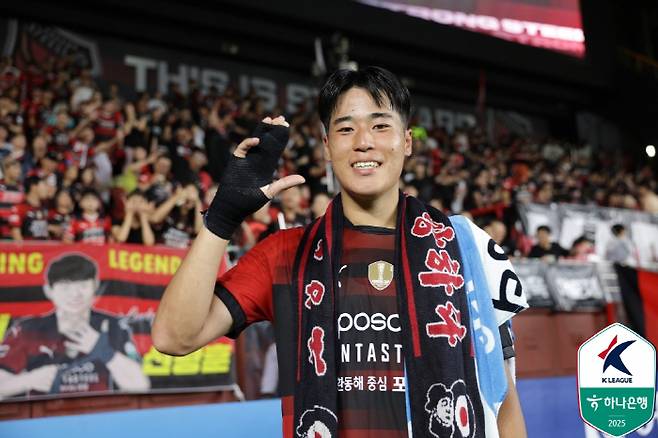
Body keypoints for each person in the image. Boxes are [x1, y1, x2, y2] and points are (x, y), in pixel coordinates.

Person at [153, 66, 527, 437]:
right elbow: (173, 337)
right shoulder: (284, 254)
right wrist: (221, 219)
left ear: (407, 141)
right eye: (346, 129)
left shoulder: (464, 245)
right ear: (327, 146)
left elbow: (503, 399)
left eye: (380, 126)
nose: (363, 141)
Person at [0, 253, 149, 398]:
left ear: (95, 286)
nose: (75, 294)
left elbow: (140, 386)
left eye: (83, 286)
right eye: (65, 287)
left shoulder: (112, 326)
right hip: (47, 412)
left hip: (99, 410)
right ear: (49, 290)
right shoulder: (28, 330)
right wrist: (28, 380)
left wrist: (103, 350)